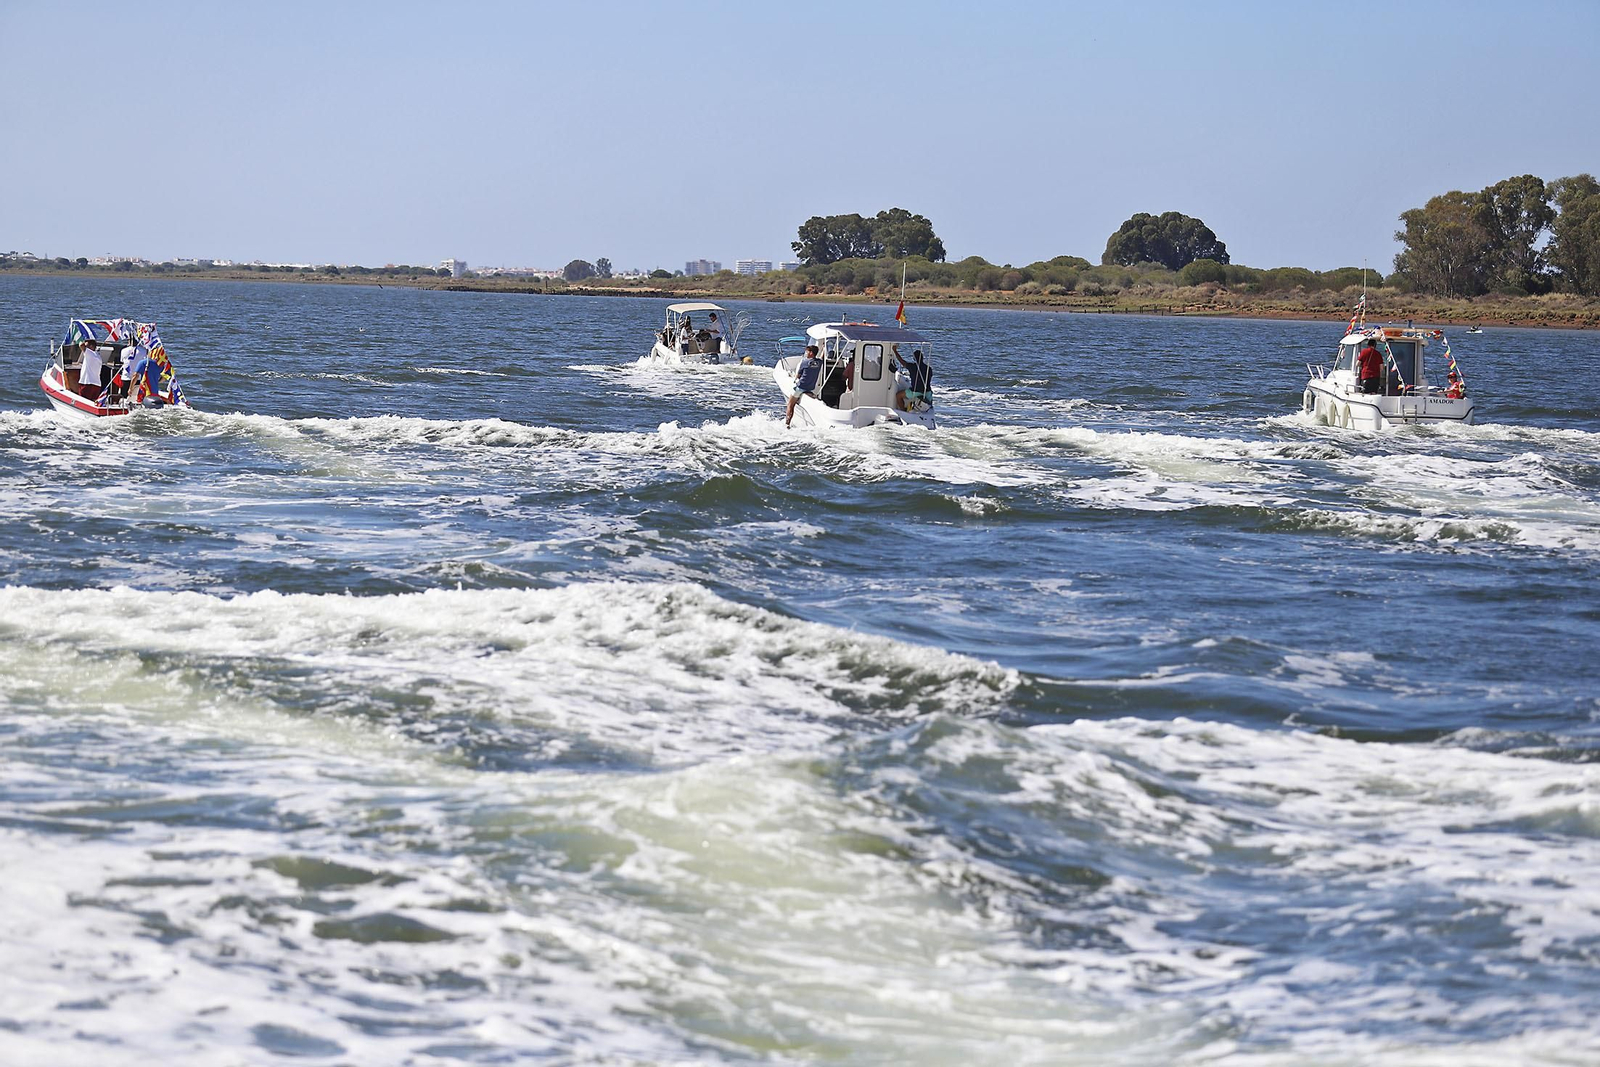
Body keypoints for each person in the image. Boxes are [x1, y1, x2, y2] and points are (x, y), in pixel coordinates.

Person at [785, 345, 823, 428]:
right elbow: (821, 358)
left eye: (807, 351)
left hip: (801, 387)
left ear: (811, 353)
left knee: (790, 405)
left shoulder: (805, 362)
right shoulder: (819, 363)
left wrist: (794, 378)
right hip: (810, 388)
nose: (806, 353)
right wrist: (823, 348)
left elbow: (798, 376)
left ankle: (787, 424)